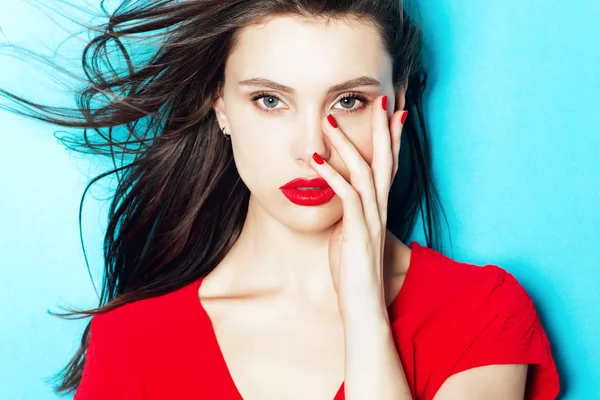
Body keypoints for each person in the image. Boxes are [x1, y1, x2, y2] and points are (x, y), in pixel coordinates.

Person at [0, 0, 560, 399]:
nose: (311, 147)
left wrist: (364, 312)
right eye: (270, 100)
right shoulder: (132, 344)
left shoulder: (479, 313)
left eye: (349, 100)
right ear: (220, 104)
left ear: (397, 100)